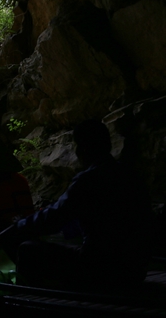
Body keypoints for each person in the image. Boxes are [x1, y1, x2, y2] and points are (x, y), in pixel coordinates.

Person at [12, 119, 153, 289]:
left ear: (84, 148)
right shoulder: (131, 175)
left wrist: (19, 225)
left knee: (27, 249)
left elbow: (55, 217)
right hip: (135, 270)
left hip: (102, 271)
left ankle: (29, 298)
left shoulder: (89, 179)